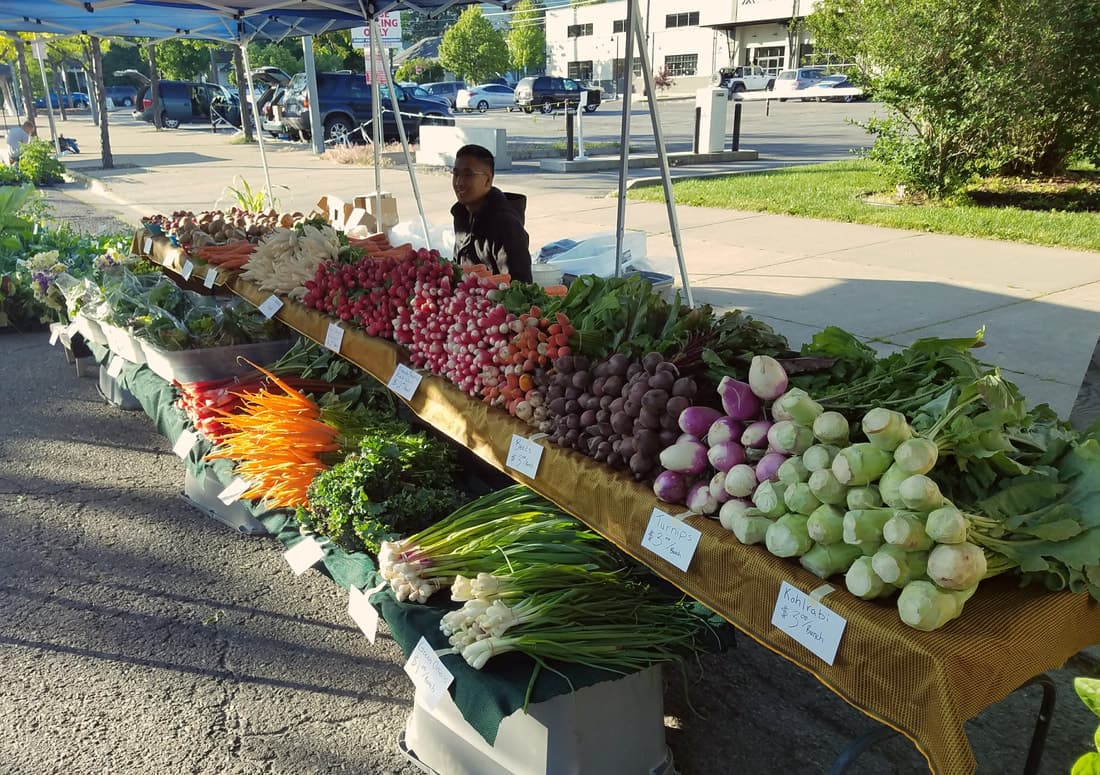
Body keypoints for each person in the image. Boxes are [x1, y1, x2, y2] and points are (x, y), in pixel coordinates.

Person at [450, 144, 532, 282]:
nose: (459, 182)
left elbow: (519, 286)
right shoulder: (461, 214)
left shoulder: (506, 225)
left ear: (488, 180)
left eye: (468, 175)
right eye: (456, 174)